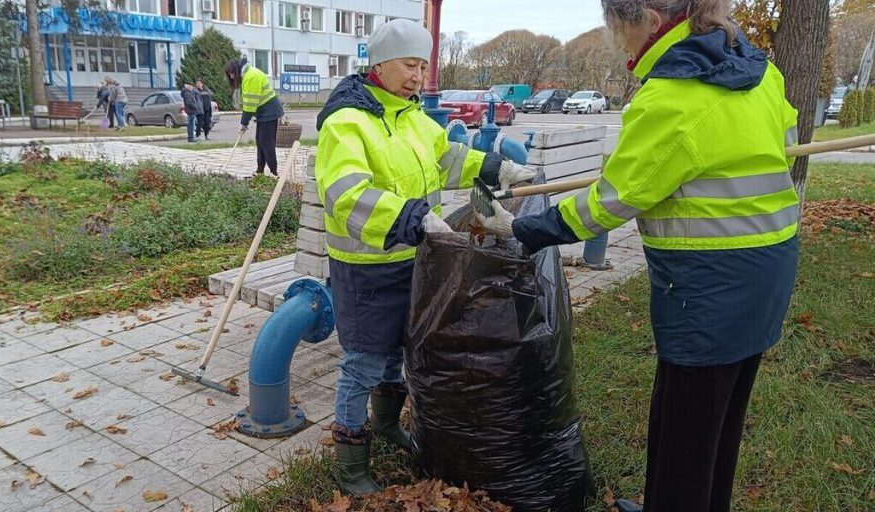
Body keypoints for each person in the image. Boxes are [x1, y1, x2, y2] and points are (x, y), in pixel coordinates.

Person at [475, 2, 800, 511]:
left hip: (709, 283)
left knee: (687, 432)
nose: (617, 41)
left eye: (616, 28)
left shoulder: (670, 98)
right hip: (768, 269)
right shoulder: (761, 73)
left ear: (649, 19)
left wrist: (522, 228)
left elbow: (609, 202)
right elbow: (780, 148)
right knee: (718, 416)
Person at [315, 19, 538, 496]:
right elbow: (345, 195)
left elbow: (449, 160)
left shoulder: (415, 118)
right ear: (379, 64)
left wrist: (502, 170)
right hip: (367, 271)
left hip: (415, 260)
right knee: (363, 364)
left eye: (423, 66)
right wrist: (414, 220)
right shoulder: (346, 123)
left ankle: (389, 426)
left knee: (402, 350)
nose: (418, 76)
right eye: (409, 65)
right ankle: (351, 463)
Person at [225, 57, 284, 175]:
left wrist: (244, 123)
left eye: (232, 74)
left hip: (270, 110)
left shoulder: (250, 77)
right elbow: (248, 102)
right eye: (229, 74)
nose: (231, 77)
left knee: (266, 141)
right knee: (260, 140)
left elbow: (250, 104)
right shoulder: (246, 75)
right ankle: (260, 170)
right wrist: (244, 122)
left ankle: (274, 172)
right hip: (263, 111)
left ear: (236, 70)